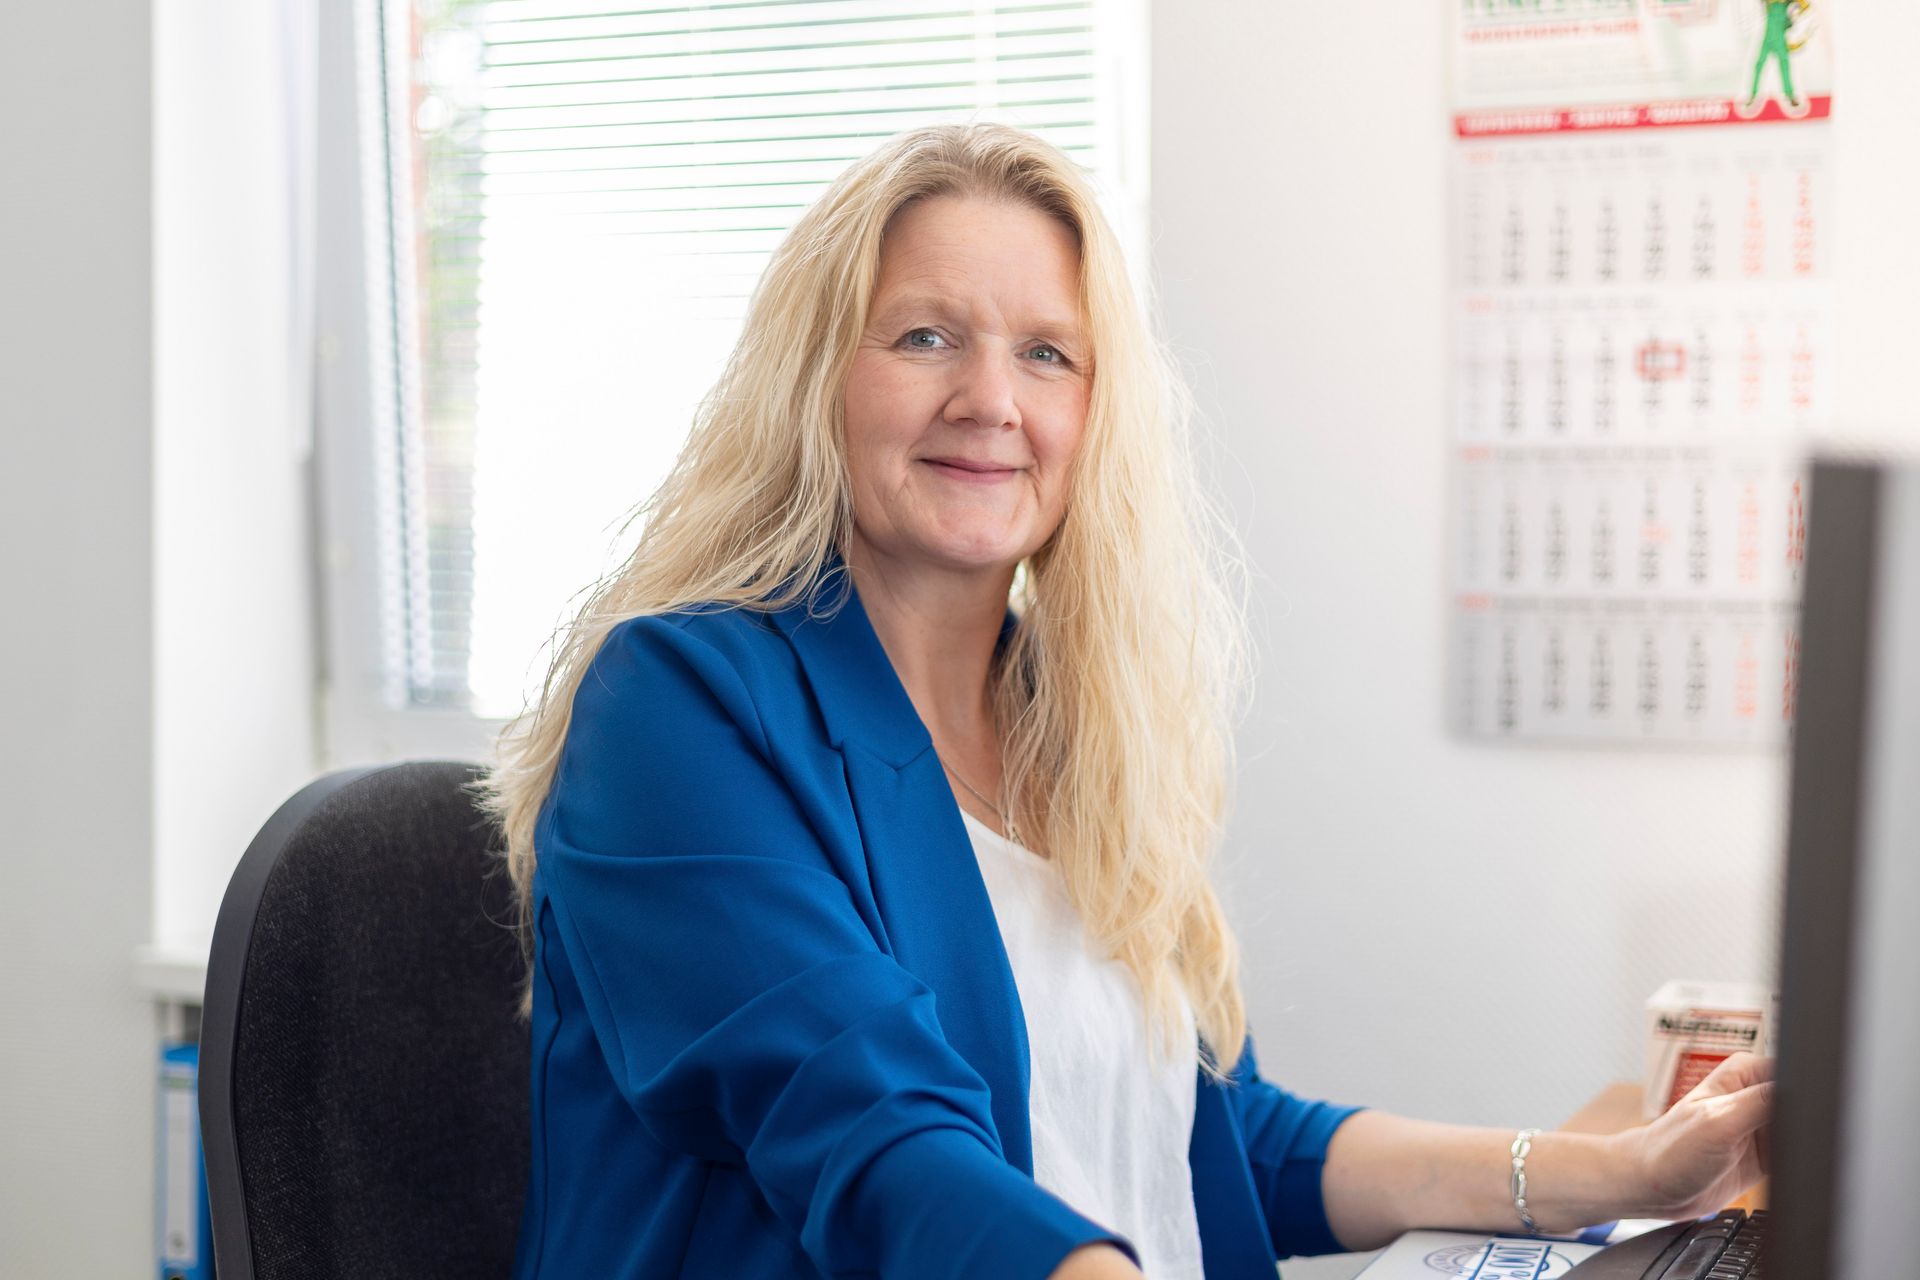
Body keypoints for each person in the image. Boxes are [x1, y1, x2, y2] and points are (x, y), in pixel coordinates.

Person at [482, 124, 1773, 1280]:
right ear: (821, 380)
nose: (991, 400)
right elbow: (876, 1144)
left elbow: (1219, 1138)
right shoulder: (679, 707)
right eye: (926, 334)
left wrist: (1627, 1173)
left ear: (1098, 414)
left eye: (1047, 353)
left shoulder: (1069, 728)